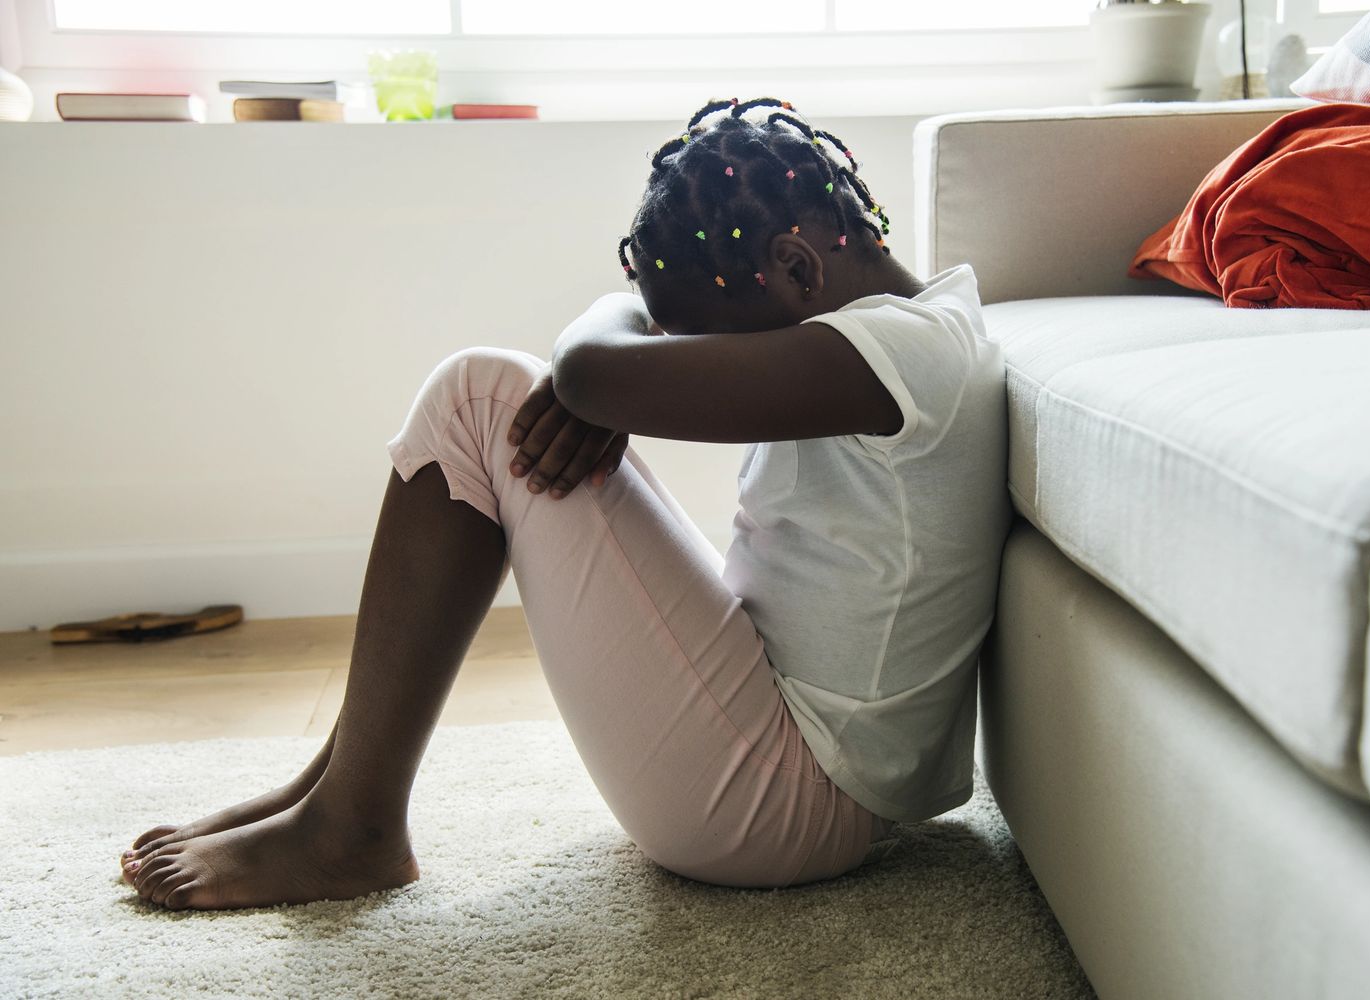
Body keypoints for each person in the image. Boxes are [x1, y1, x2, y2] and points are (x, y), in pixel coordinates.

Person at [119, 96, 1005, 910]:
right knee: (492, 397)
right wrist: (605, 387)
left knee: (479, 396)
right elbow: (598, 379)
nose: (685, 360)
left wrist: (610, 355)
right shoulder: (923, 330)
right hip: (798, 762)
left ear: (797, 267)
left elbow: (589, 368)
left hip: (790, 808)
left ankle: (352, 826)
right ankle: (336, 787)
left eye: (700, 342)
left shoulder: (892, 357)